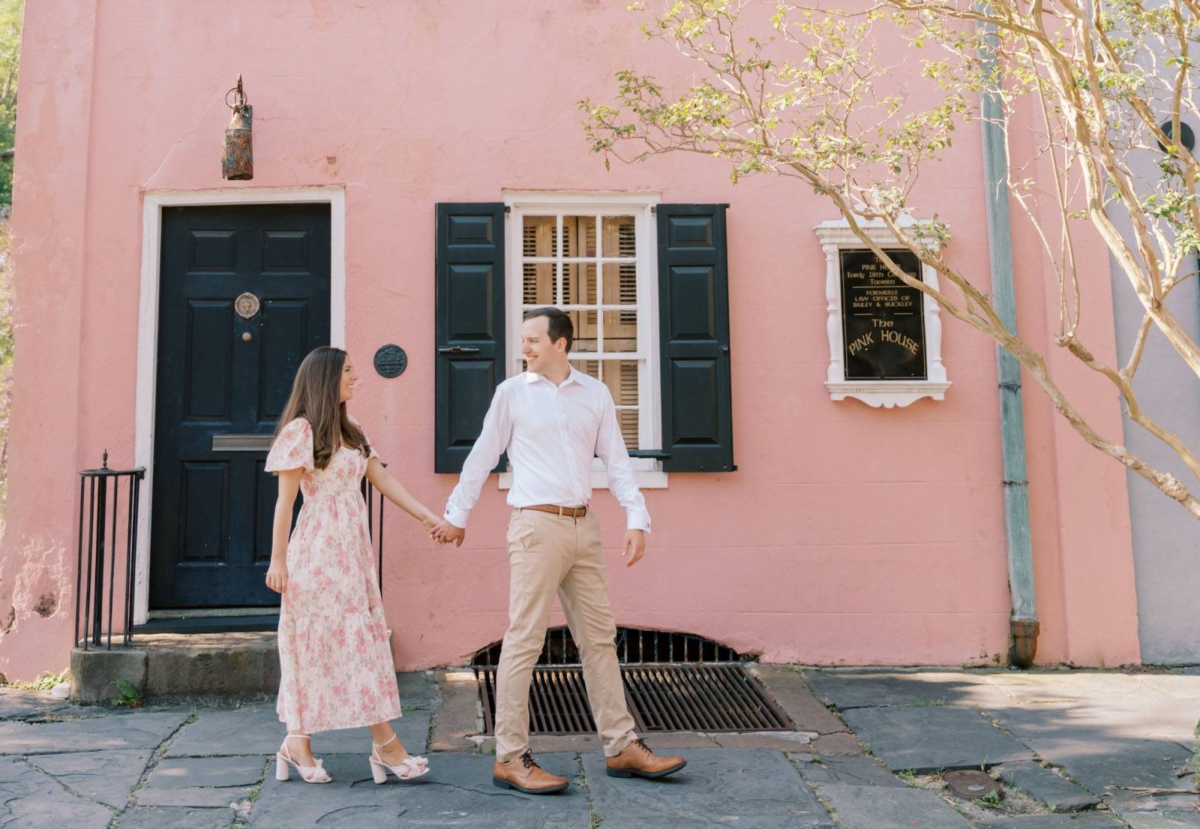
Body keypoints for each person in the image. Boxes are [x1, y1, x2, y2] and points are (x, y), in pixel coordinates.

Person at [431, 307, 687, 794]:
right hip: (535, 527)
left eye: (532, 340)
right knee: (524, 640)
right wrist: (456, 516)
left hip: (582, 528)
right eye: (523, 339)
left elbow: (615, 459)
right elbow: (482, 455)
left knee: (599, 640)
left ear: (561, 344)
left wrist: (637, 518)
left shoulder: (595, 394)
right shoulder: (511, 394)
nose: (523, 348)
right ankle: (510, 756)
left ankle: (621, 745)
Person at [265, 346, 440, 785]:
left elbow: (382, 480)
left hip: (352, 558)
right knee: (314, 646)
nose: (356, 377)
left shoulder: (354, 430)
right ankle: (341, 743)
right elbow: (284, 505)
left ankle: (314, 742)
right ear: (327, 378)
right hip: (315, 554)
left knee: (356, 642)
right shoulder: (301, 432)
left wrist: (427, 517)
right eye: (348, 371)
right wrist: (278, 561)